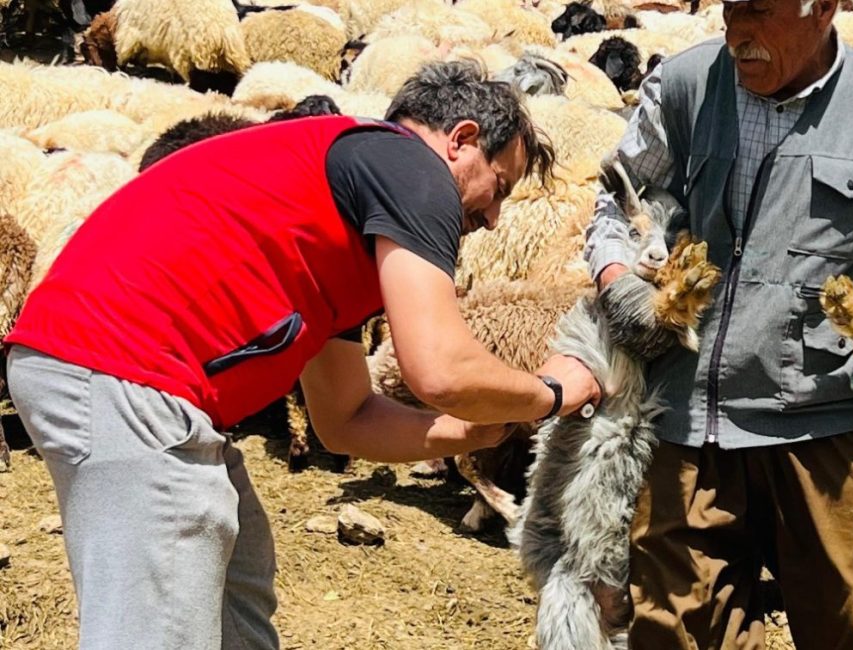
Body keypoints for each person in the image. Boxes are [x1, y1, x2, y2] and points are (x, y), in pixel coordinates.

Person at [3, 60, 601, 649]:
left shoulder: (344, 215)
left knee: (237, 569)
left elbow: (346, 420)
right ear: (462, 140)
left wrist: (473, 432)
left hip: (116, 373)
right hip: (121, 370)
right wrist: (548, 395)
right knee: (158, 620)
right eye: (499, 188)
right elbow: (439, 367)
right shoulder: (410, 167)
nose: (494, 220)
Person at [584, 0, 853, 648]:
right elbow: (617, 202)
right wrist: (619, 281)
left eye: (760, 11)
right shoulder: (682, 87)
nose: (739, 31)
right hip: (687, 426)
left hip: (824, 429)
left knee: (850, 631)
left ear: (822, 8)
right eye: (731, 8)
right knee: (670, 635)